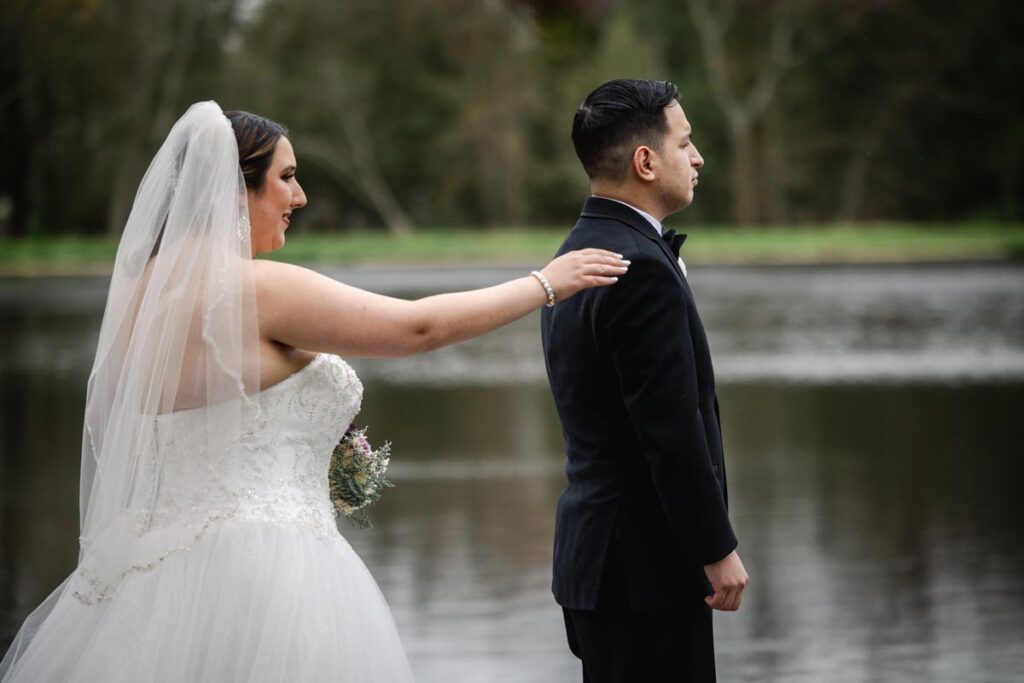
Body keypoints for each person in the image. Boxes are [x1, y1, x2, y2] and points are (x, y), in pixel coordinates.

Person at [0, 101, 628, 682]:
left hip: (152, 577)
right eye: (287, 177)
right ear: (234, 190)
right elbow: (415, 328)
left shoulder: (139, 300)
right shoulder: (256, 289)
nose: (298, 197)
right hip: (269, 573)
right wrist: (545, 283)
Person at [539, 79, 749, 682]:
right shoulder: (639, 267)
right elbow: (670, 430)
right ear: (645, 162)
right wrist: (716, 548)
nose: (698, 157)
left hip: (597, 562)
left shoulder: (575, 252)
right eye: (685, 143)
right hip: (644, 570)